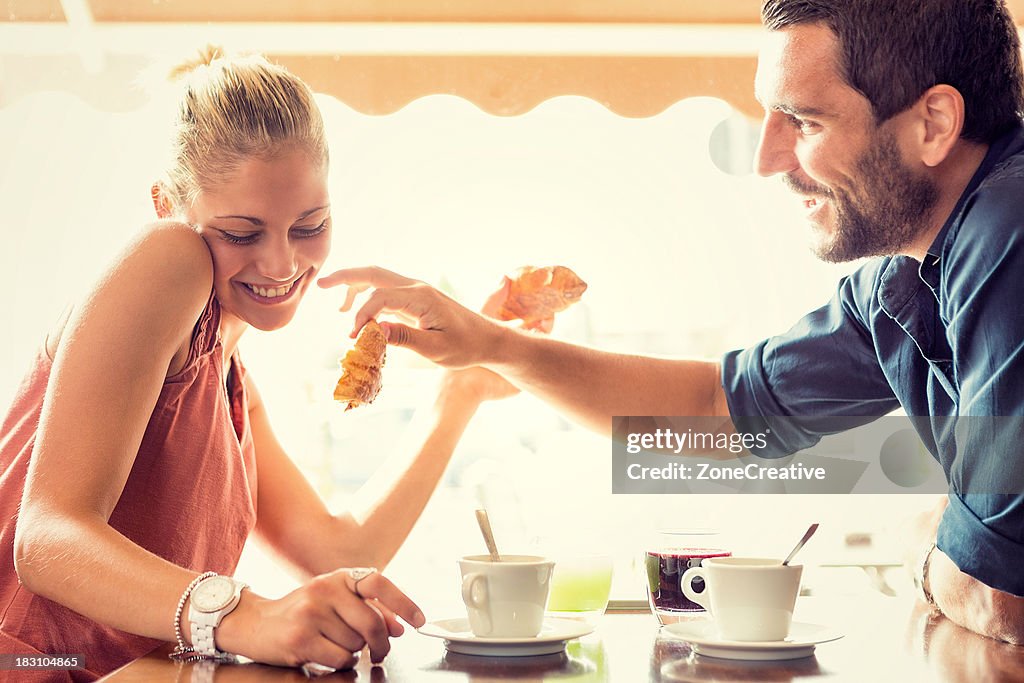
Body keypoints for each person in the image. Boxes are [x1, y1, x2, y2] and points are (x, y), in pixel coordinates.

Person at [319, 0, 1024, 644]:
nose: (766, 159)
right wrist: (492, 345)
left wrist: (925, 549)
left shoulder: (1008, 229)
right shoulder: (900, 282)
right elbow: (713, 406)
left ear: (933, 123)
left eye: (805, 121)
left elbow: (1000, 594)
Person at [0, 47, 516, 680]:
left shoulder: (230, 379)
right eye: (241, 234)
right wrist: (246, 615)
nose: (280, 264)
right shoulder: (169, 256)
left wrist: (460, 391)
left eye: (310, 226)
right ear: (167, 204)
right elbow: (47, 539)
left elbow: (339, 549)